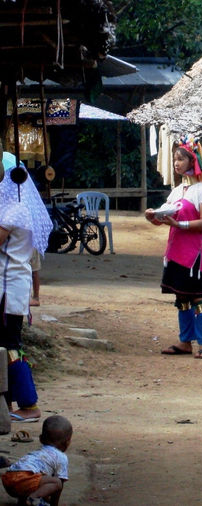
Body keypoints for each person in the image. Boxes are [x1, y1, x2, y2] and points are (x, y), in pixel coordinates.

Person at [145, 140, 202, 359]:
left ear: (193, 162)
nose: (176, 163)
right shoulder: (176, 191)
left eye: (181, 158)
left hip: (193, 254)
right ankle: (185, 342)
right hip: (175, 251)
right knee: (181, 298)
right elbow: (166, 218)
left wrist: (179, 225)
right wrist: (153, 217)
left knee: (198, 298)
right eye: (175, 159)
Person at [1, 152, 52, 422]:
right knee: (7, 344)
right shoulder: (11, 207)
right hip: (8, 286)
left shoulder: (14, 209)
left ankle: (29, 403)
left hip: (8, 288)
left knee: (10, 345)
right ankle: (8, 403)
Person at [1, 415, 72, 506]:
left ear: (41, 439)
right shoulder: (61, 457)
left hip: (8, 479)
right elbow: (58, 487)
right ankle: (33, 499)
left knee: (38, 481)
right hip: (24, 479)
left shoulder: (37, 454)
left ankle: (24, 501)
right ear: (67, 443)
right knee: (57, 482)